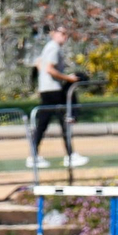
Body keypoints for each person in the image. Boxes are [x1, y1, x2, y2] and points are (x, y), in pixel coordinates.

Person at [31, 25, 85, 169]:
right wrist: (68, 78)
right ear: (54, 34)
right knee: (63, 121)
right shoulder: (54, 47)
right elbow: (49, 68)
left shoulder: (49, 47)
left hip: (47, 89)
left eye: (67, 33)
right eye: (62, 33)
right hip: (53, 90)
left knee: (43, 124)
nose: (65, 36)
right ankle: (70, 155)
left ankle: (34, 155)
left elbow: (39, 64)